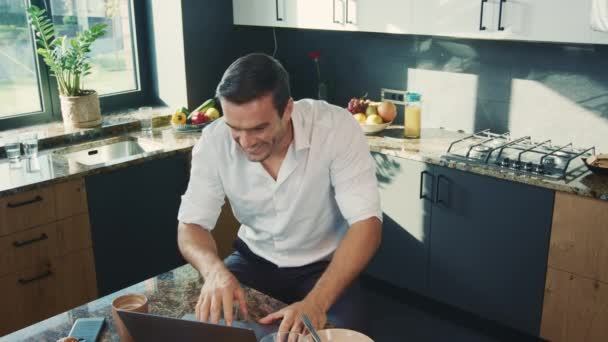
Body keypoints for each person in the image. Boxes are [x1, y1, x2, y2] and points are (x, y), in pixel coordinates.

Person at [177, 53, 381, 335]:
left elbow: (366, 224)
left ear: (287, 110)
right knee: (202, 330)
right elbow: (191, 225)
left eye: (259, 128)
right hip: (253, 262)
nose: (245, 142)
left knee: (338, 335)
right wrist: (213, 272)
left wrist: (316, 304)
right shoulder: (213, 141)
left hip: (324, 268)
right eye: (234, 128)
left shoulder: (336, 128)